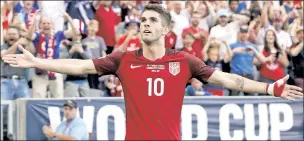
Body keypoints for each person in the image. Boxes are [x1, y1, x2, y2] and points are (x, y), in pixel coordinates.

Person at [3, 4, 303, 140]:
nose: (144, 23)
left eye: (151, 20)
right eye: (142, 19)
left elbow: (228, 79)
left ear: (166, 29)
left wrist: (268, 88)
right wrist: (38, 62)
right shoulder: (123, 59)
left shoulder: (185, 61)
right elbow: (79, 65)